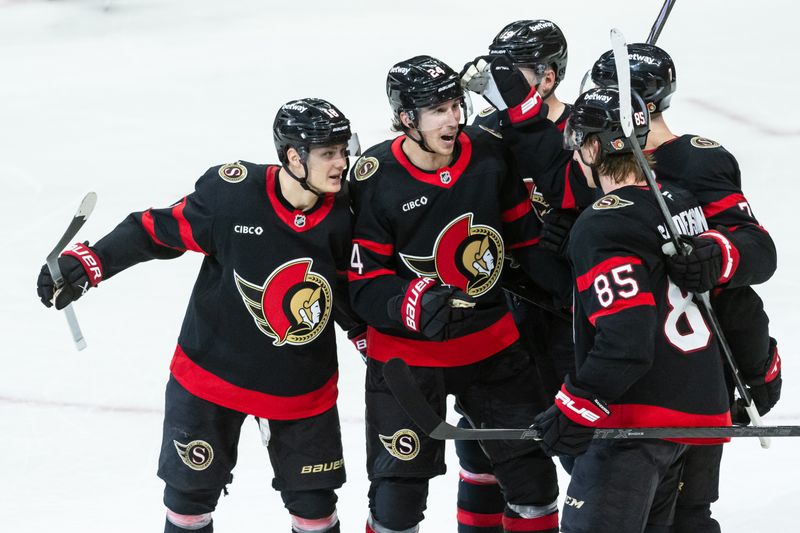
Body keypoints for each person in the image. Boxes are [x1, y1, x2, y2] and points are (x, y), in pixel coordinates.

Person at [36, 98, 365, 533]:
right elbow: (152, 230)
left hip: (299, 385)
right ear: (292, 157)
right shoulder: (234, 196)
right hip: (212, 377)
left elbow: (345, 287)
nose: (341, 162)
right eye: (328, 153)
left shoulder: (348, 211)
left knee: (315, 510)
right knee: (188, 505)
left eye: (343, 150)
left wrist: (367, 335)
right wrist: (92, 262)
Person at [348, 54, 567, 533]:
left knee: (534, 486)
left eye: (455, 105)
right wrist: (410, 304)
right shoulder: (375, 176)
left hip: (493, 349)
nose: (453, 118)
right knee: (397, 501)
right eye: (438, 109)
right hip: (408, 361)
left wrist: (572, 285)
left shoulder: (488, 154)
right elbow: (361, 282)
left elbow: (525, 241)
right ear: (407, 118)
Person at [589, 43, 782, 533]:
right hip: (627, 366)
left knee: (686, 513)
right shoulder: (597, 158)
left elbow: (758, 251)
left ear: (645, 105)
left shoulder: (695, 162)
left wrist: (717, 255)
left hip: (699, 362)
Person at [534, 86, 732, 533]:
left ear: (590, 147)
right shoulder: (681, 201)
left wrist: (576, 406)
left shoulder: (603, 221)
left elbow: (626, 341)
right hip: (699, 410)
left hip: (635, 422)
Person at [455, 19, 575, 533]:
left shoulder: (587, 129)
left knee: (579, 440)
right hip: (501, 306)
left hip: (572, 312)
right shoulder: (481, 134)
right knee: (487, 442)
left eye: (512, 71)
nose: (497, 78)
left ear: (546, 79)